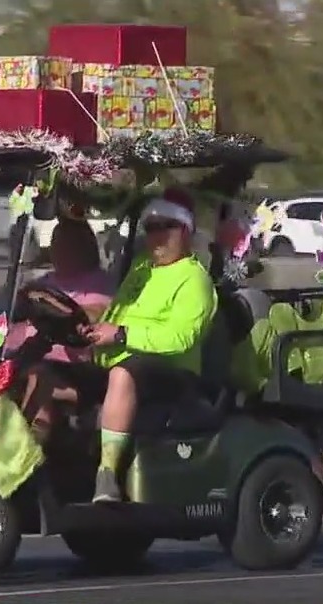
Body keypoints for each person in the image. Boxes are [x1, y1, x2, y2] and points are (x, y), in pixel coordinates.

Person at [82, 189, 218, 502]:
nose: (156, 236)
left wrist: (120, 335)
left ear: (184, 230)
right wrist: (90, 324)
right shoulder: (142, 269)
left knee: (123, 374)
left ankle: (107, 474)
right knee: (48, 373)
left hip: (172, 372)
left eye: (165, 227)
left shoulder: (194, 279)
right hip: (127, 359)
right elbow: (118, 312)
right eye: (151, 228)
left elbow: (181, 338)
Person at [6, 219, 115, 439]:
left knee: (39, 377)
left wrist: (67, 314)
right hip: (22, 356)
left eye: (68, 244)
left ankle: (26, 447)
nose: (59, 250)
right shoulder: (42, 282)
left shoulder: (99, 283)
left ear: (85, 248)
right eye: (56, 243)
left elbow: (96, 312)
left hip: (73, 367)